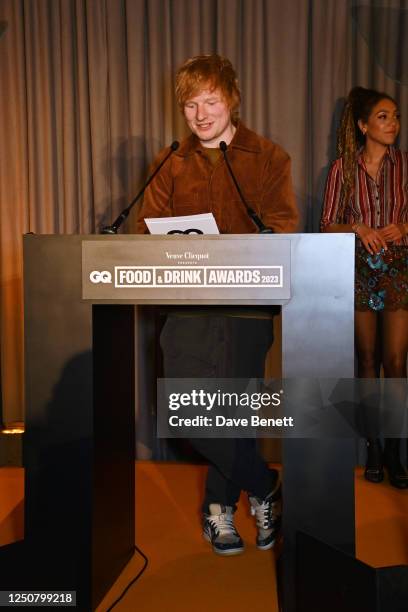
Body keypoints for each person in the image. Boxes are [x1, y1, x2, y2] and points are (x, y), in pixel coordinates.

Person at [137, 54, 299, 554]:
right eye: (191, 104)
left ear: (232, 100)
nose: (200, 114)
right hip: (186, 309)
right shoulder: (170, 161)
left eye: (210, 101)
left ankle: (218, 511)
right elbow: (146, 227)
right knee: (190, 415)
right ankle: (265, 485)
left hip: (246, 309)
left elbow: (285, 226)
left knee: (235, 413)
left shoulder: (269, 157)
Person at [321, 86, 408, 488]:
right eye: (384, 117)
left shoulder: (405, 165)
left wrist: (403, 228)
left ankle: (395, 448)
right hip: (356, 269)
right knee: (368, 357)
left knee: (395, 361)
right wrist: (359, 227)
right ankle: (373, 446)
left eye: (395, 116)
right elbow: (326, 224)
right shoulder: (343, 168)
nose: (393, 123)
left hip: (398, 270)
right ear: (363, 125)